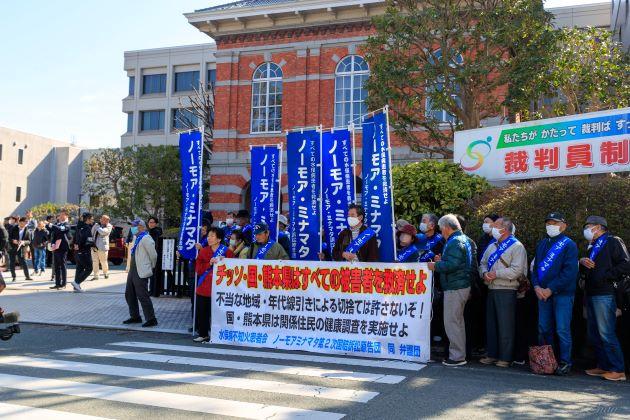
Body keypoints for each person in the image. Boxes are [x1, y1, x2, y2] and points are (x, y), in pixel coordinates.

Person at [580, 216, 629, 382]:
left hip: (605, 293)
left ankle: (618, 369)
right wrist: (582, 262)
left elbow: (625, 264)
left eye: (589, 226)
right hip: (592, 292)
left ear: (599, 227)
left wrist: (606, 277)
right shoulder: (592, 245)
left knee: (606, 332)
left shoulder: (613, 241)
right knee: (594, 333)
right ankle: (604, 365)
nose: (586, 230)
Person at [531, 212, 579, 376]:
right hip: (542, 294)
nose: (551, 226)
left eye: (555, 223)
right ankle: (547, 361)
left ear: (564, 225)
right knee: (544, 328)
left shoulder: (569, 245)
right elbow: (535, 268)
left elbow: (569, 272)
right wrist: (537, 286)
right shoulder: (542, 244)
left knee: (562, 329)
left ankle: (565, 362)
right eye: (549, 222)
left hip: (562, 294)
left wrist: (550, 289)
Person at [478, 217, 527, 368]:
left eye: (496, 225)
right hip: (492, 288)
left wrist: (496, 274)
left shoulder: (517, 246)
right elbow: (483, 263)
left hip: (507, 289)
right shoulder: (492, 246)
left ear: (504, 229)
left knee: (506, 325)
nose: (492, 227)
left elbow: (517, 270)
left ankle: (505, 357)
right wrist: (484, 273)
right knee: (491, 324)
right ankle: (492, 354)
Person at [427, 214, 472, 367]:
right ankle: (458, 354)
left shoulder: (454, 241)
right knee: (457, 322)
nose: (440, 231)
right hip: (459, 285)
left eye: (441, 228)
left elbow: (451, 265)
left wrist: (436, 266)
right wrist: (441, 262)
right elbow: (455, 262)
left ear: (446, 227)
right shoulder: (461, 239)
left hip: (455, 286)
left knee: (453, 322)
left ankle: (457, 356)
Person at [194, 227, 228, 342]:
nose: (209, 238)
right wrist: (209, 263)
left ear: (219, 239)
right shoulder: (203, 251)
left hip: (220, 288)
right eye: (208, 235)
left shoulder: (227, 252)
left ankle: (221, 333)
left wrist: (226, 262)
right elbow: (198, 269)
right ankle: (203, 334)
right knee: (203, 312)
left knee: (220, 313)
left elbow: (234, 268)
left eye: (212, 236)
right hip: (204, 287)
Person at [123, 219, 158, 328]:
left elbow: (154, 256)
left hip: (141, 270)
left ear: (141, 227)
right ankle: (135, 316)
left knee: (142, 295)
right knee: (129, 294)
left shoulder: (146, 238)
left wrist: (150, 267)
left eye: (135, 226)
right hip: (133, 270)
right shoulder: (137, 238)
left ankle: (151, 318)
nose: (133, 228)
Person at [71, 213, 94, 292]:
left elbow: (75, 238)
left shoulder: (78, 227)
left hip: (77, 252)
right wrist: (92, 245)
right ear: (87, 219)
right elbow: (86, 239)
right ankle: (76, 282)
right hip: (84, 252)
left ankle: (76, 287)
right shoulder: (87, 228)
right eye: (91, 219)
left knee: (79, 269)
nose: (92, 220)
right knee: (89, 268)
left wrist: (75, 245)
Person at [50, 210, 71, 290]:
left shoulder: (67, 224)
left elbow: (61, 230)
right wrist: (52, 243)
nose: (60, 216)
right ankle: (57, 283)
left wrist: (52, 225)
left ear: (66, 216)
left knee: (63, 265)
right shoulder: (57, 224)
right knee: (56, 266)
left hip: (63, 247)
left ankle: (64, 284)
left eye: (62, 215)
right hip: (56, 247)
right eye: (60, 215)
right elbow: (53, 235)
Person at [8, 217, 33, 281]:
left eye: (24, 223)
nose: (23, 224)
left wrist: (23, 242)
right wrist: (13, 241)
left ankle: (27, 276)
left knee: (24, 262)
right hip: (13, 247)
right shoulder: (13, 228)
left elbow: (29, 241)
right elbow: (9, 238)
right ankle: (14, 277)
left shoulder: (28, 230)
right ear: (19, 222)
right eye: (21, 223)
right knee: (12, 262)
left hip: (22, 248)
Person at [91, 215, 113, 281]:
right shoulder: (96, 225)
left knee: (103, 261)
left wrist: (97, 227)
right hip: (94, 246)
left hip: (103, 247)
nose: (105, 221)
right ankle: (96, 276)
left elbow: (103, 232)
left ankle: (106, 273)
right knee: (95, 261)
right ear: (101, 219)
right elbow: (92, 232)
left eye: (107, 220)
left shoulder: (109, 226)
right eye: (103, 219)